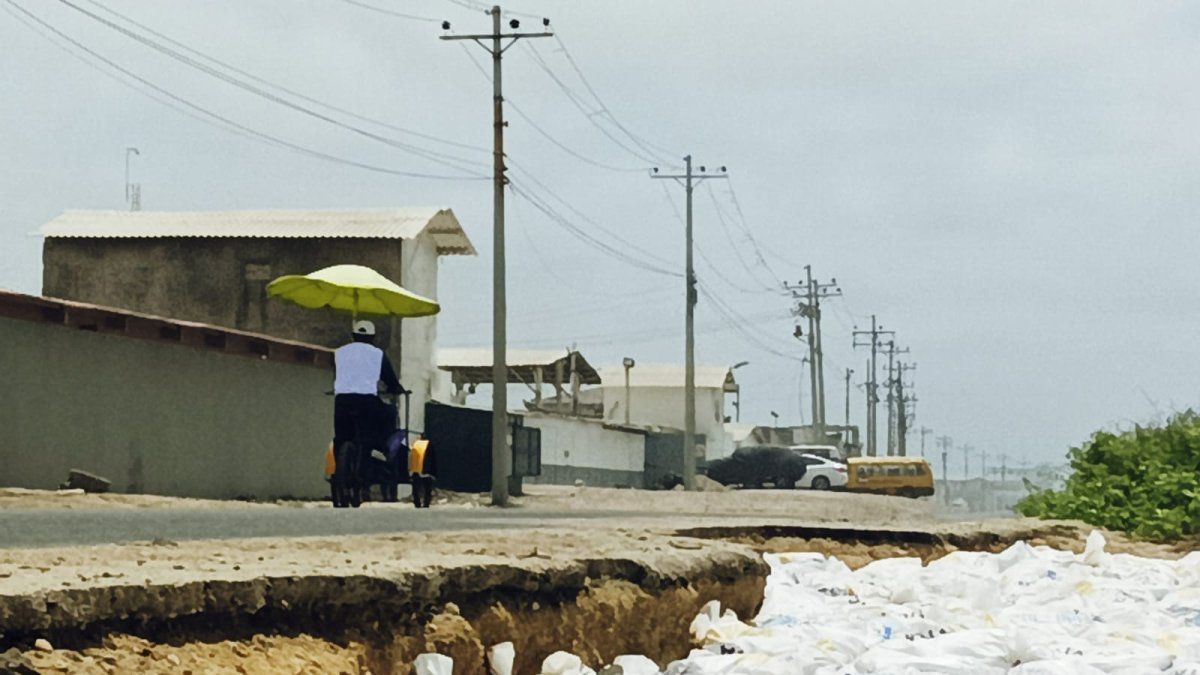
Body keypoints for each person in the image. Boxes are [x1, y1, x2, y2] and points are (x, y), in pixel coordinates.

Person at [333, 320, 402, 450]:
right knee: (390, 413)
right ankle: (386, 450)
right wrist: (395, 388)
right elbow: (389, 379)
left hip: (342, 402)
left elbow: (337, 375)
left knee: (341, 437)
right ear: (373, 337)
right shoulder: (377, 354)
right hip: (366, 402)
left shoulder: (339, 352)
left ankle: (340, 466)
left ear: (353, 336)